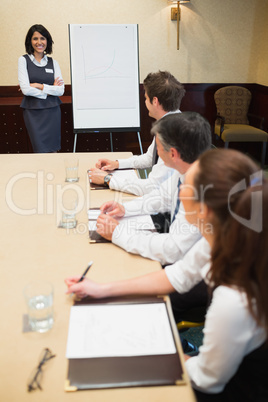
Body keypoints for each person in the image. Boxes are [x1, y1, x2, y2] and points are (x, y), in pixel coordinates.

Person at [65, 149, 268, 400]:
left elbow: (207, 380)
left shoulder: (234, 299)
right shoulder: (223, 235)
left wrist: (158, 352)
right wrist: (101, 289)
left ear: (205, 210)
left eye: (187, 188)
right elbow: (177, 276)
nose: (179, 191)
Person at [95, 112, 211, 266]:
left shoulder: (198, 191)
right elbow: (162, 197)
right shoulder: (185, 169)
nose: (155, 152)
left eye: (157, 147)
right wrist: (125, 208)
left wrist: (118, 233)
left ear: (173, 153)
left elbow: (173, 250)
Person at [88, 71, 185, 196]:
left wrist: (108, 179)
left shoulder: (172, 134)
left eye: (145, 98)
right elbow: (150, 158)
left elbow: (150, 187)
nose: (145, 102)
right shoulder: (173, 122)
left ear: (155, 101)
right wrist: (117, 164)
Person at [18, 24, 64, 153]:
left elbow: (60, 90)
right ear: (30, 41)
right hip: (33, 112)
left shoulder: (53, 62)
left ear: (47, 41)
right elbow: (26, 90)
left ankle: (53, 172)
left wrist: (39, 86)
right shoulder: (23, 60)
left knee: (54, 148)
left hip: (52, 111)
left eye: (42, 38)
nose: (39, 42)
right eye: (35, 38)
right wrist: (50, 91)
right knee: (39, 149)